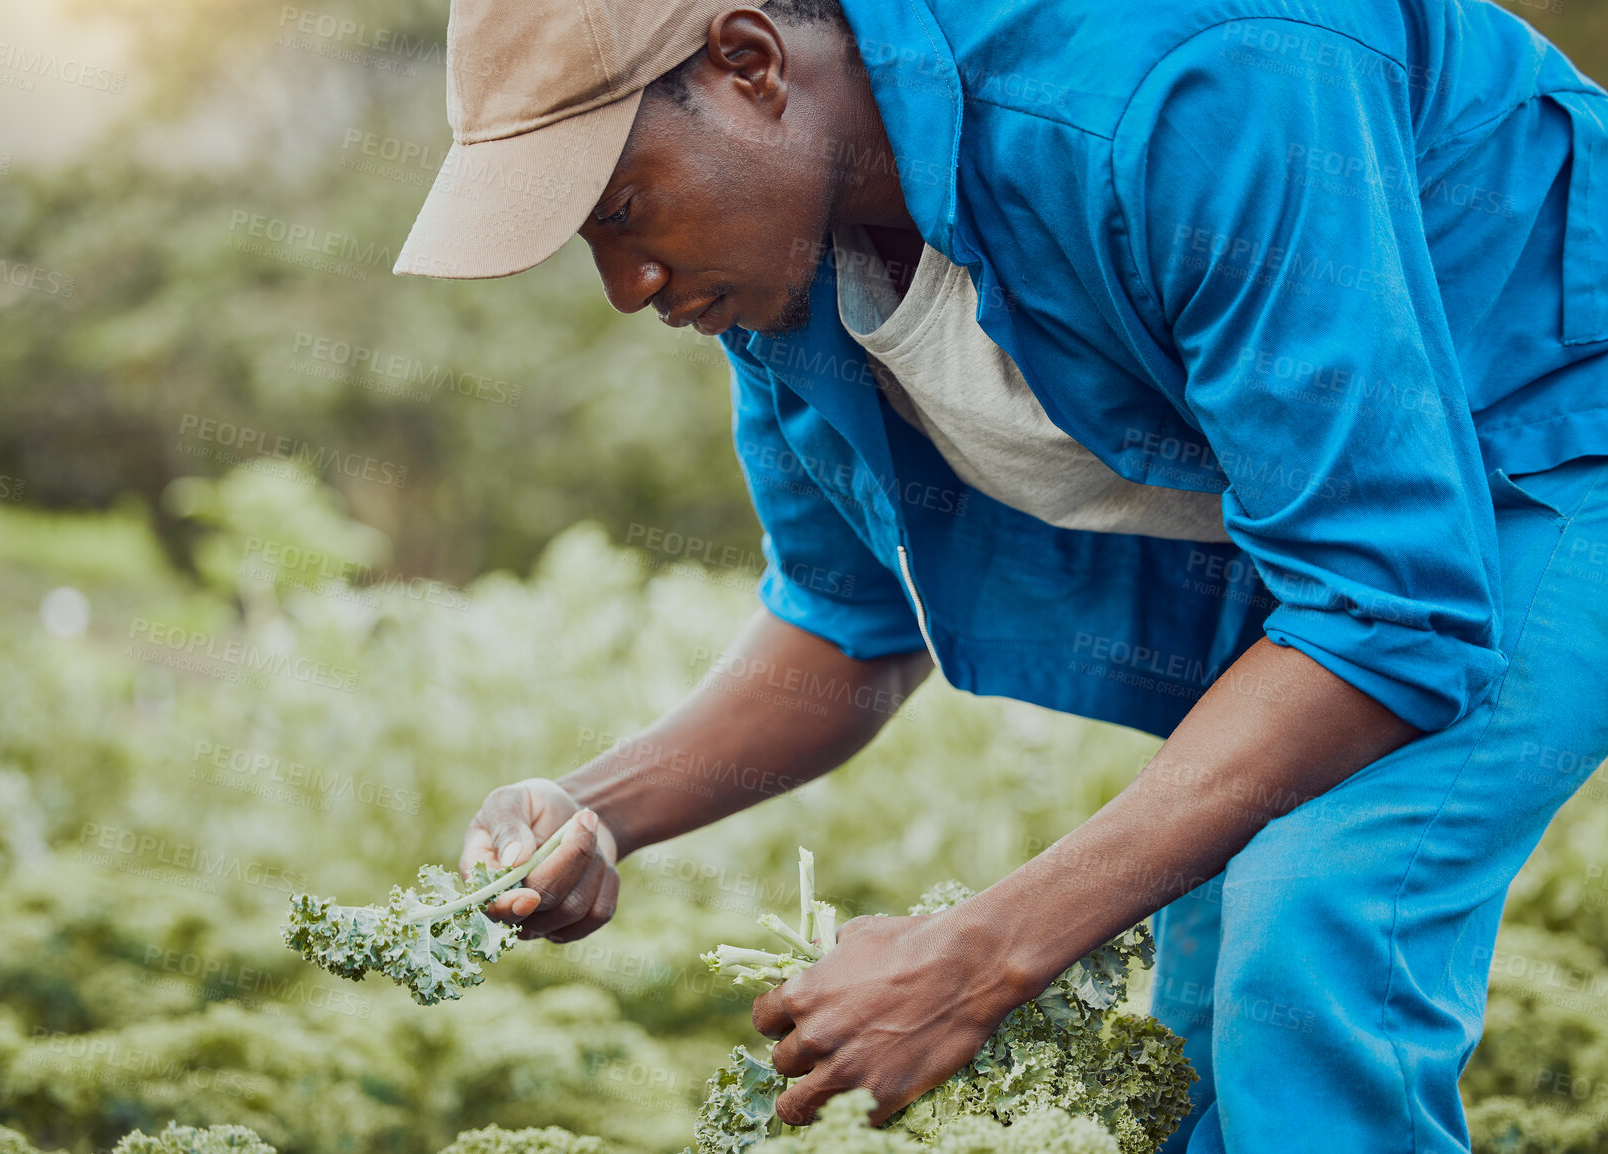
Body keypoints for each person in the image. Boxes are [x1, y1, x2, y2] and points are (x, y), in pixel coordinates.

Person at [390, 1, 1608, 1149]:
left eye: (621, 208)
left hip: (1556, 425)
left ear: (750, 63)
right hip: (1350, 543)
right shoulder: (779, 278)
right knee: (1201, 1010)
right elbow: (848, 620)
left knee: (1312, 921)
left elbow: (1387, 603)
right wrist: (592, 807)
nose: (627, 288)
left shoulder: (1193, 80)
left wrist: (980, 953)